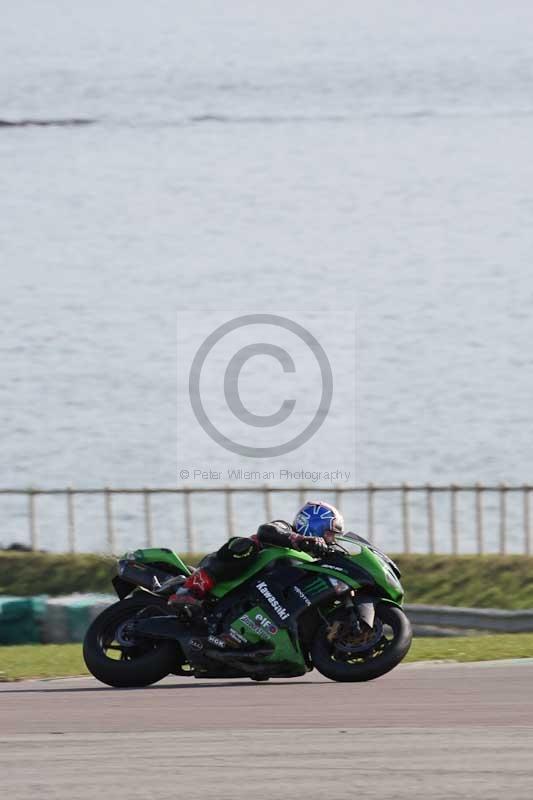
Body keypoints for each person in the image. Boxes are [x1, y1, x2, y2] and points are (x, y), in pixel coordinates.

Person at [168, 500, 344, 612]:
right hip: (225, 569)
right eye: (329, 533)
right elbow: (266, 530)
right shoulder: (285, 529)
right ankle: (189, 589)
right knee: (245, 545)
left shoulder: (308, 560)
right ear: (313, 523)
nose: (330, 539)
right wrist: (300, 539)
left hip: (250, 599)